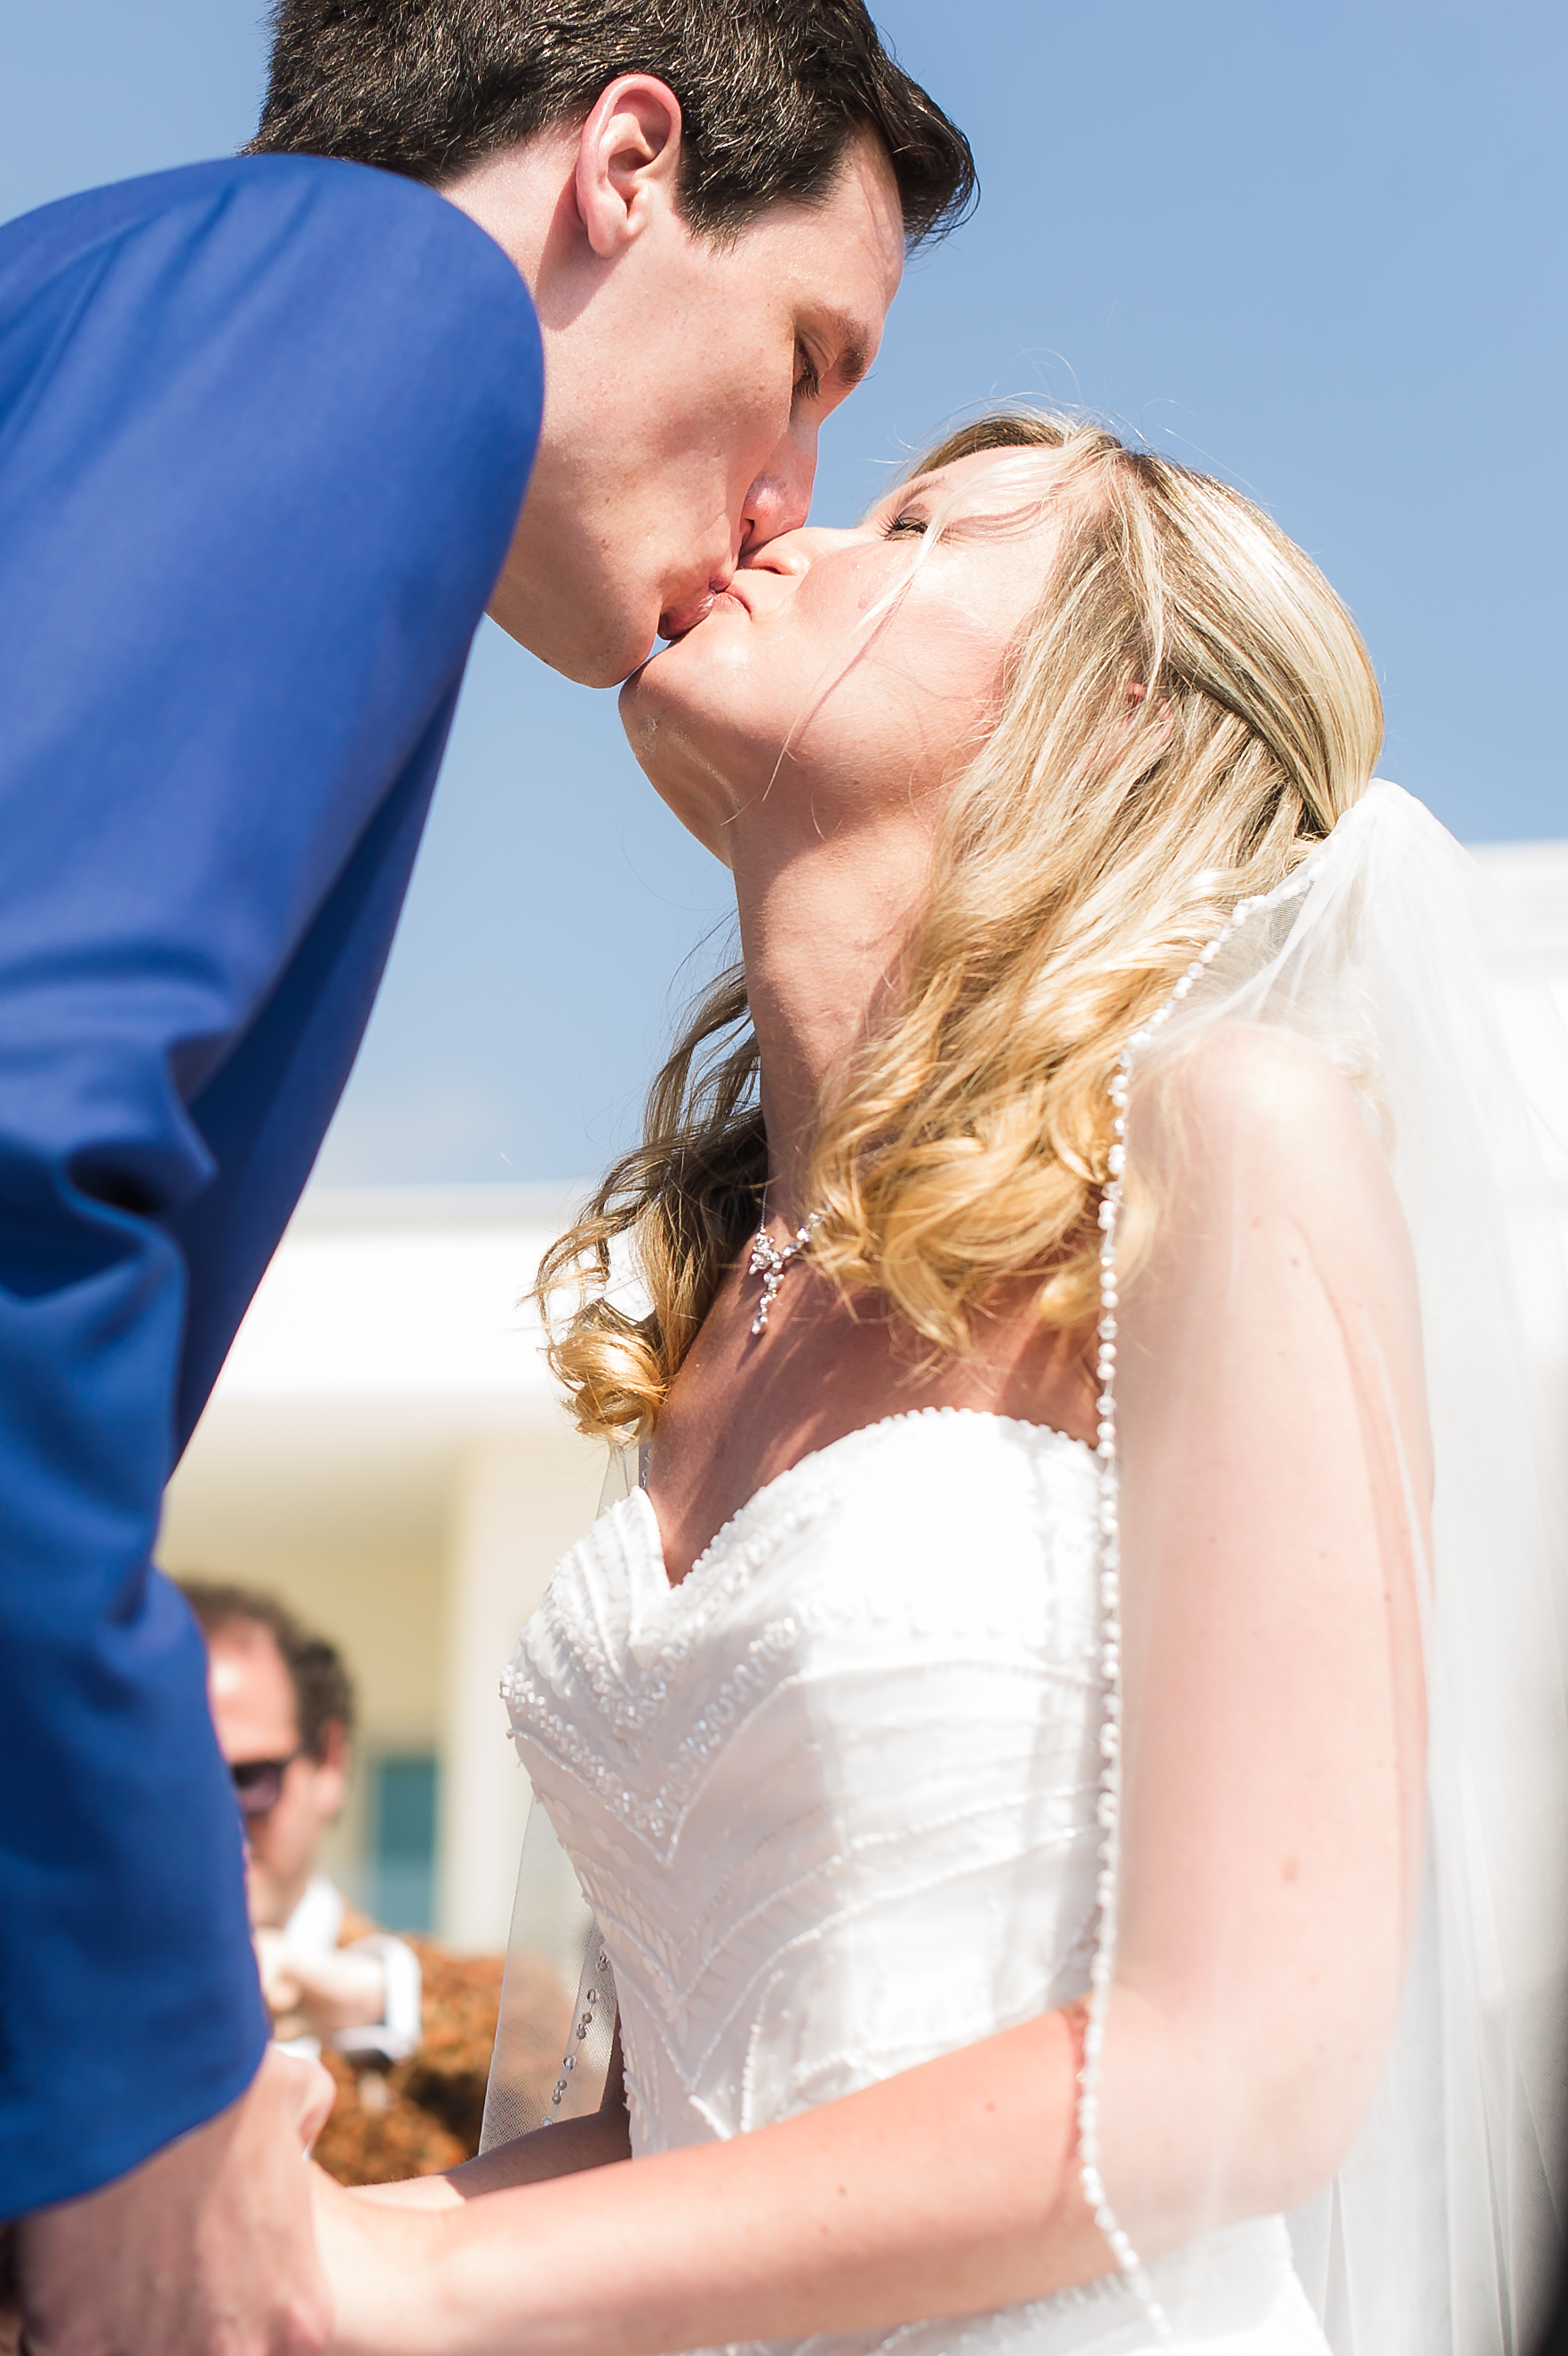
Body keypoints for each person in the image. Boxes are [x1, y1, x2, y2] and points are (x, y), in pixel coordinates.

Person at [306, 415, 1568, 2353]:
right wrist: (271, 2250)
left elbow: (1240, 2070)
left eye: (917, 525)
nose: (788, 534)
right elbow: (688, 2130)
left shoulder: (1221, 1148)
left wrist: (422, 2277)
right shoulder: (718, 1303)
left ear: (1121, 713)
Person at [0, 7, 973, 2352]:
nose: (789, 487)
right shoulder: (376, 302)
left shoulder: (96, 289)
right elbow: (26, 1171)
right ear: (625, 164)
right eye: (807, 356)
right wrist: (140, 2100)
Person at [182, 1582, 424, 2071]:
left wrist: (383, 1998)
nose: (217, 1823)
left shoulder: (502, 2011)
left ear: (329, 1760)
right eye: (180, 1786)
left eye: (247, 1778)